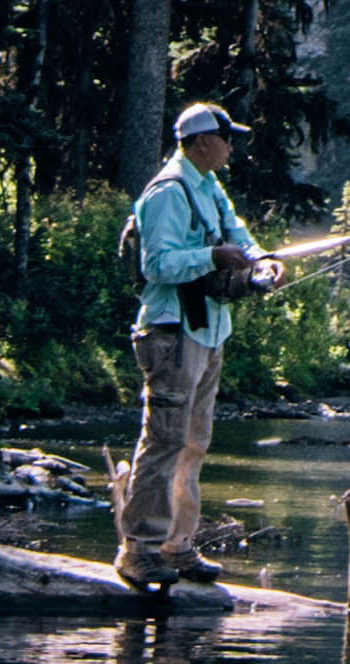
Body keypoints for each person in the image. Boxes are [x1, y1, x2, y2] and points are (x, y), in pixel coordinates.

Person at [114, 103, 272, 593]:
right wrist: (212, 257)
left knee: (195, 443)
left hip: (209, 333)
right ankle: (137, 551)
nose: (232, 145)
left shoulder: (210, 186)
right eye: (226, 137)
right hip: (171, 334)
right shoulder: (168, 191)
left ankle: (177, 546)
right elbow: (159, 263)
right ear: (202, 140)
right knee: (162, 441)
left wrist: (262, 262)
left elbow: (238, 236)